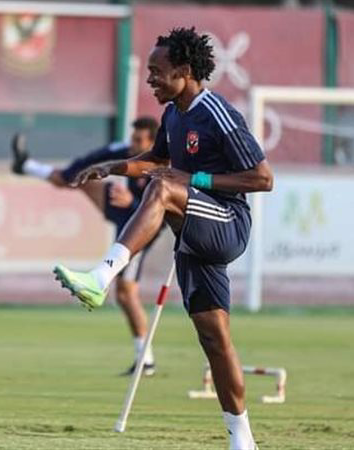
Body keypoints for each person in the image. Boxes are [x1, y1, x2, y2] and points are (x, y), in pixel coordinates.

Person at [52, 27, 273, 450]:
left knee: (163, 187)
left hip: (227, 221)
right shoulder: (173, 115)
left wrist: (195, 179)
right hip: (193, 232)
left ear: (185, 71)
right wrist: (112, 167)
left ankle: (101, 276)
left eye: (157, 71)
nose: (150, 79)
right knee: (214, 338)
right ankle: (243, 440)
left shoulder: (218, 113)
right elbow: (155, 160)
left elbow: (263, 178)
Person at [10, 117, 162, 376]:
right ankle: (26, 165)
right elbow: (91, 159)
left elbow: (161, 212)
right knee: (79, 178)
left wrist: (133, 203)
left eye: (139, 140)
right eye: (133, 138)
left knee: (126, 294)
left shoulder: (161, 164)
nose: (133, 144)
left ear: (151, 142)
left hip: (145, 225)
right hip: (124, 216)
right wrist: (71, 173)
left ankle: (145, 360)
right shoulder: (123, 149)